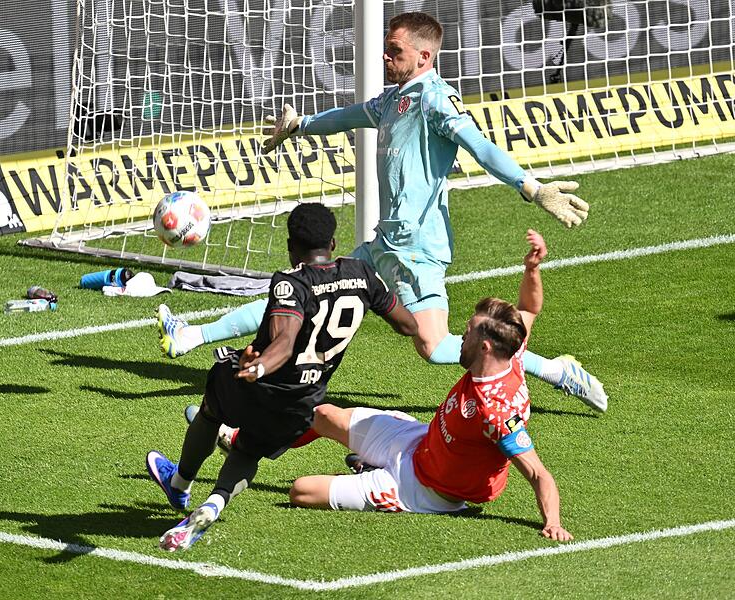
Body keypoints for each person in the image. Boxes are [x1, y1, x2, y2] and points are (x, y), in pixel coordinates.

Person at [155, 11, 607, 413]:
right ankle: (190, 336)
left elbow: (481, 147)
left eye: (396, 51)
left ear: (425, 58)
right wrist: (302, 126)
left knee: (432, 347)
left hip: (418, 249)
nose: (386, 58)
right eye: (387, 50)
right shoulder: (394, 99)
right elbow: (352, 115)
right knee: (297, 293)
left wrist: (532, 188)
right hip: (382, 243)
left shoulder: (436, 100)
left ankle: (555, 370)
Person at [146, 203, 417, 551]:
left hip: (259, 385)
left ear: (291, 247)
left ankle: (180, 483)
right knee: (248, 451)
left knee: (211, 410)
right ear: (333, 243)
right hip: (303, 402)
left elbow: (284, 342)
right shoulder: (363, 273)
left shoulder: (292, 283)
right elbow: (407, 325)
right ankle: (214, 504)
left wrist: (258, 367)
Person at [288, 229, 573, 542]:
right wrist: (532, 269)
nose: (462, 336)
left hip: (421, 489)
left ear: (485, 348)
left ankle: (372, 473)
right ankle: (244, 439)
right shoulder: (511, 353)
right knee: (324, 414)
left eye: (469, 332)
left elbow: (537, 473)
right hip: (420, 441)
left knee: (301, 491)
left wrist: (553, 523)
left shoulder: (495, 413)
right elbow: (529, 309)